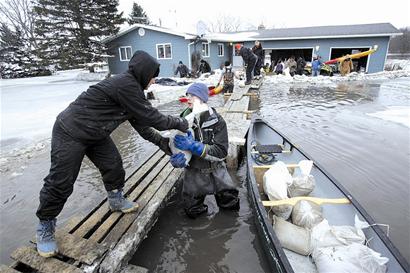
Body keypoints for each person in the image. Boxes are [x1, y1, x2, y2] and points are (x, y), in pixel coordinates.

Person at [35, 50, 191, 258]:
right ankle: (45, 226)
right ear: (144, 72)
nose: (153, 80)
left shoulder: (132, 91)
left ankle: (115, 199)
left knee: (114, 166)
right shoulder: (125, 84)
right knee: (61, 181)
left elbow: (143, 126)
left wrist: (164, 143)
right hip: (70, 130)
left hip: (96, 132)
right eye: (153, 75)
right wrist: (180, 122)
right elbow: (154, 118)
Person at [169, 83, 240, 218]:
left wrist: (194, 146)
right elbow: (173, 144)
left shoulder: (217, 121)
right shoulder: (181, 122)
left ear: (202, 98)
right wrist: (176, 159)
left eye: (192, 95)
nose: (188, 98)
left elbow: (221, 152)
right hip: (194, 172)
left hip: (217, 170)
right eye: (187, 95)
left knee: (230, 204)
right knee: (192, 211)